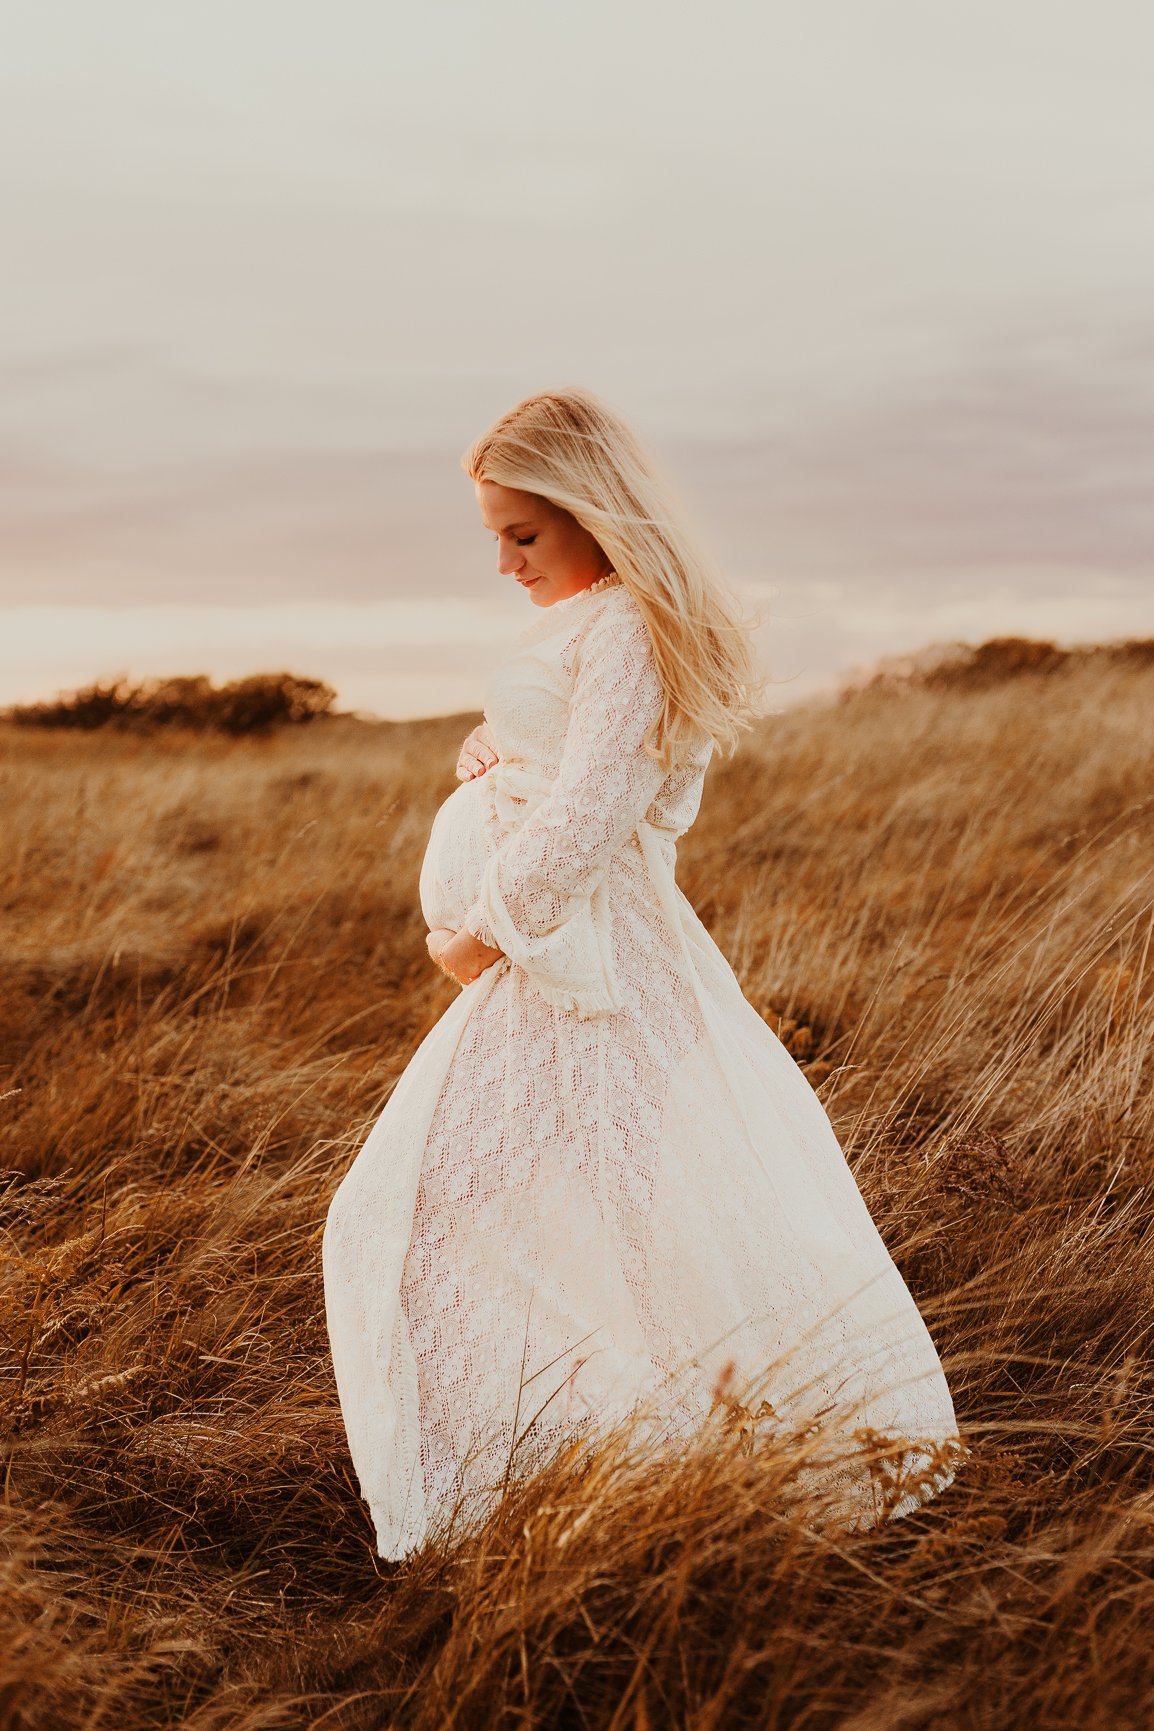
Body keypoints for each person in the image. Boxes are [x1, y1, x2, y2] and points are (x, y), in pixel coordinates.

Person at [322, 385, 962, 1560]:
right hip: (566, 961)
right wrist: (489, 754)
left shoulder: (624, 625)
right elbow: (567, 755)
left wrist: (476, 932)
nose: (506, 562)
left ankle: (542, 1496)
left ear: (592, 509)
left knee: (409, 1217)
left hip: (582, 969)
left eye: (525, 532)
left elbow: (601, 808)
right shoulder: (596, 623)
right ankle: (614, 1478)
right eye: (494, 538)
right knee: (592, 1227)